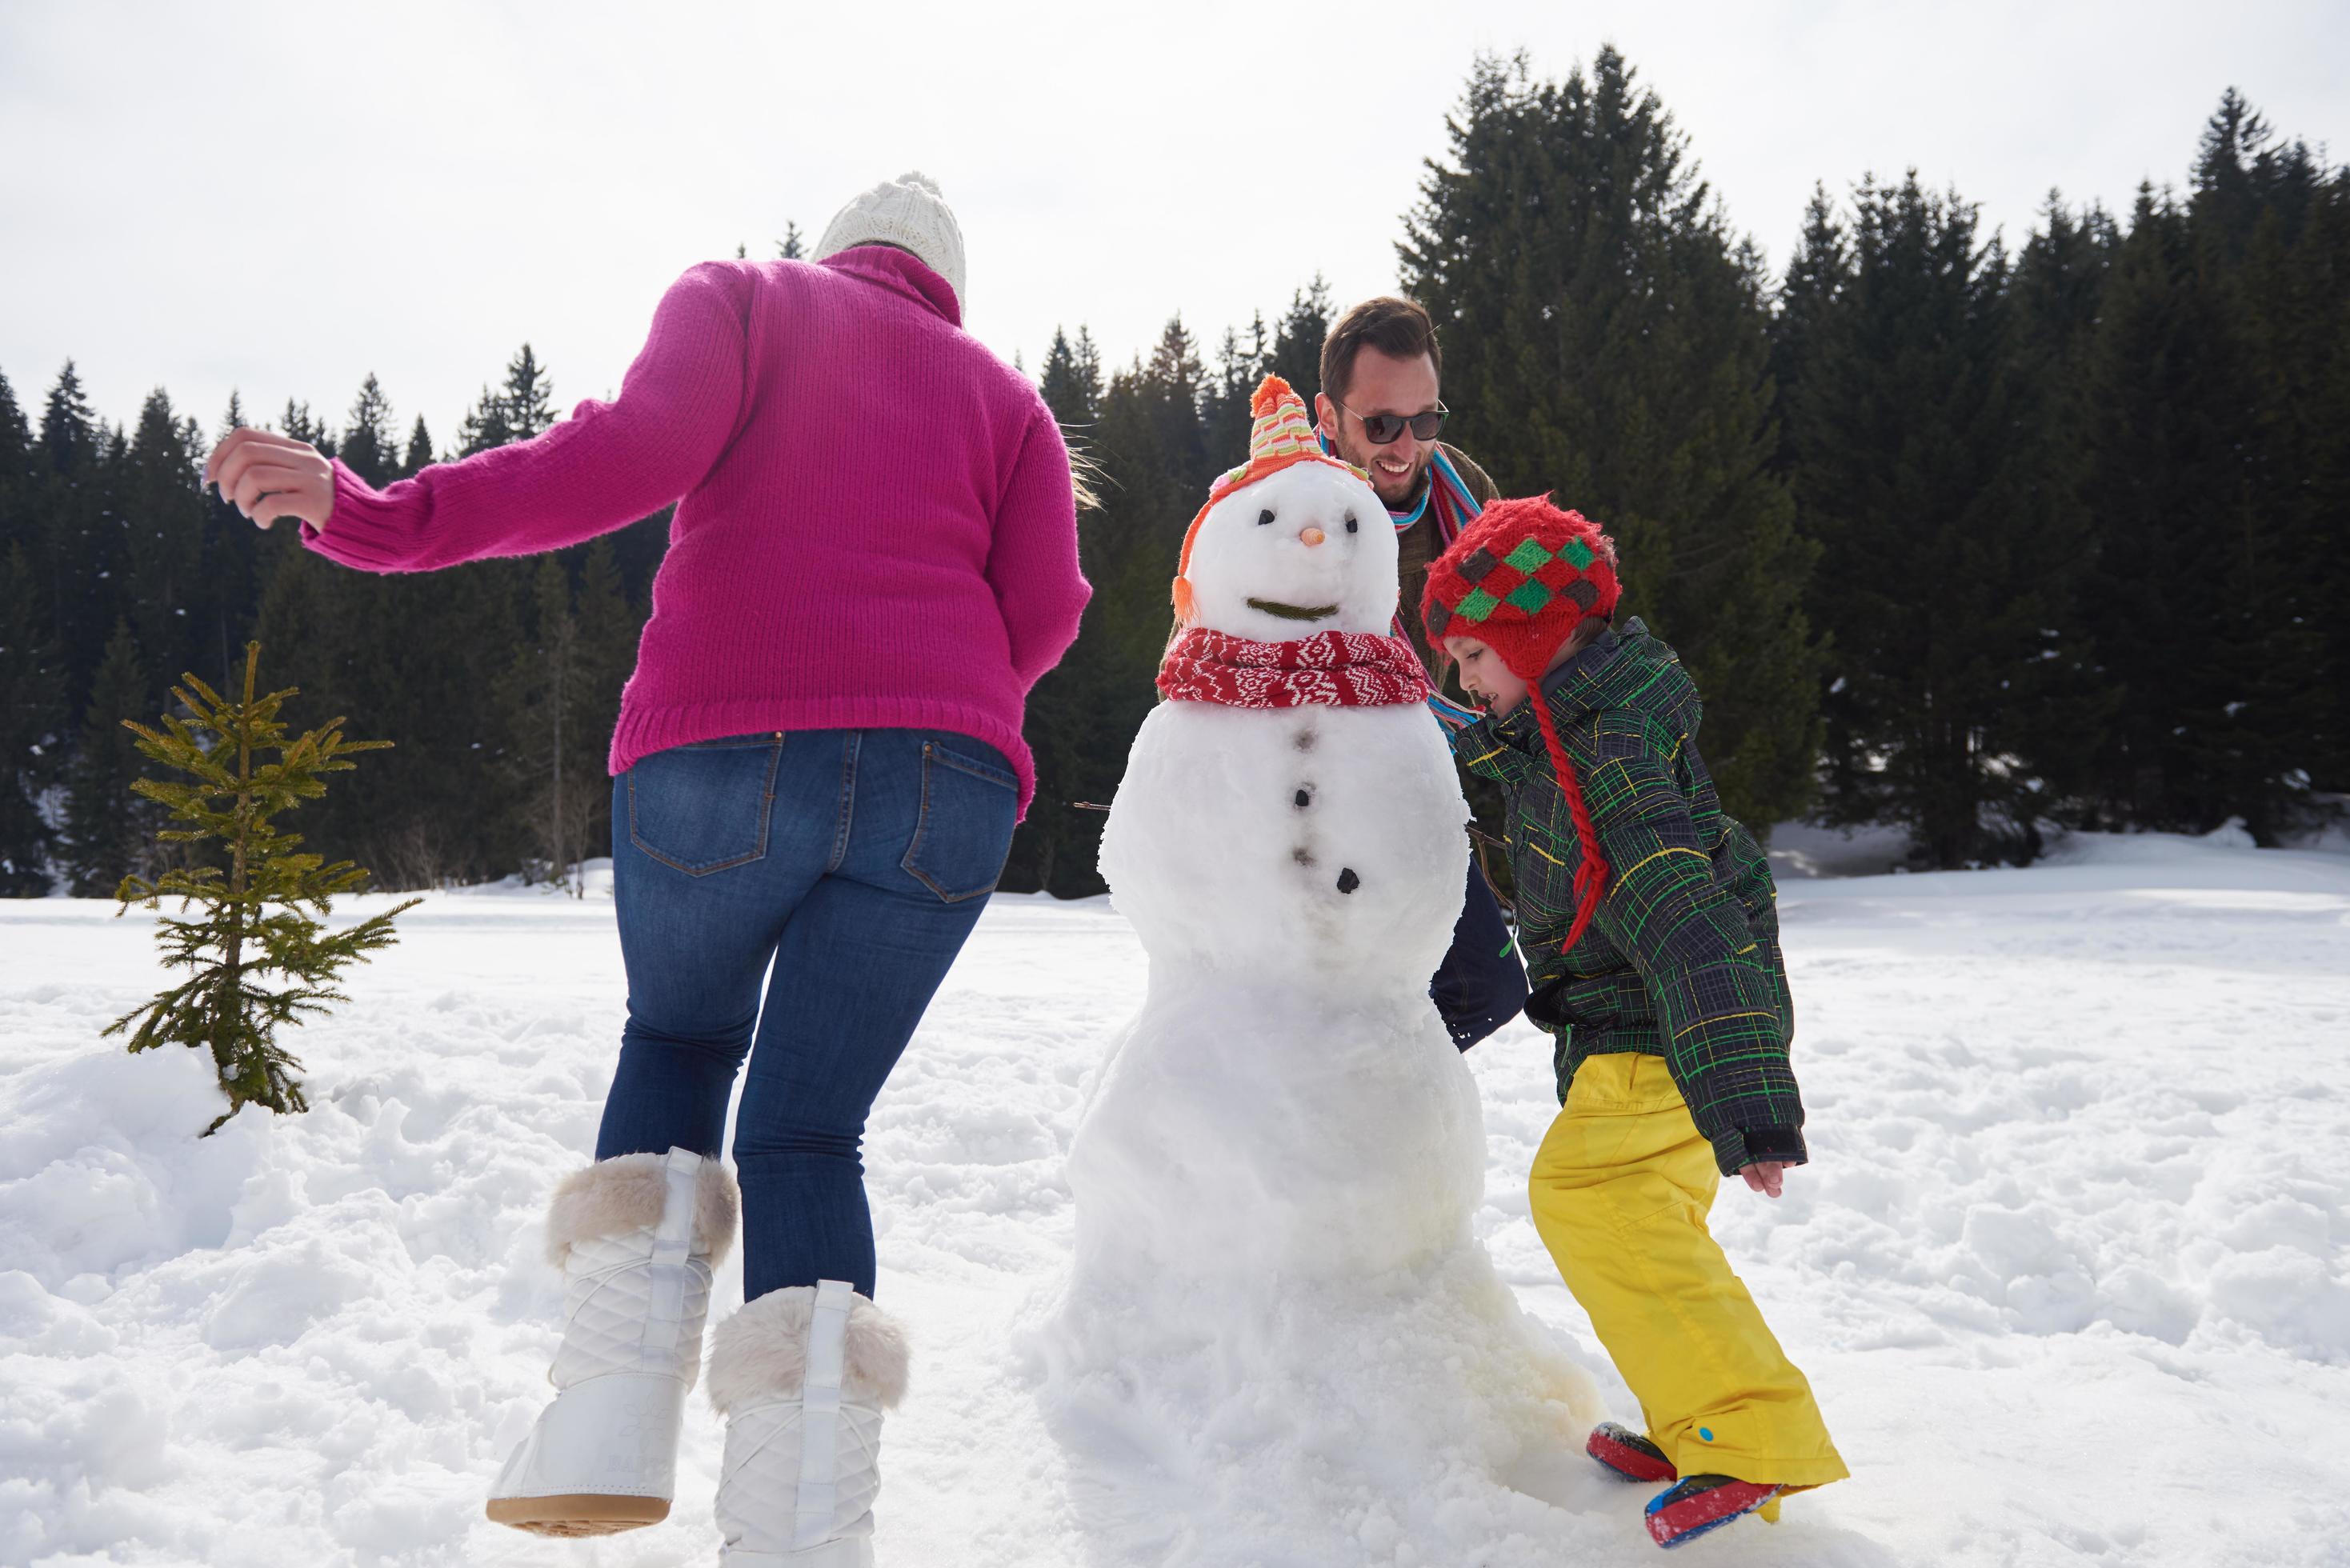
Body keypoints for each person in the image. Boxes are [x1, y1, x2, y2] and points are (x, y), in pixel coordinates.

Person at [205, 172, 1087, 1562]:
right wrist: (936, 702)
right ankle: (802, 1533)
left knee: (679, 1039)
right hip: (948, 784)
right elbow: (1043, 613)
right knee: (808, 1134)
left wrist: (374, 513)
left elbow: (618, 455)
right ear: (948, 287)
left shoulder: (745, 297)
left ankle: (611, 1420)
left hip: (722, 747)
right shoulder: (1009, 405)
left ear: (839, 249)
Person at [1420, 495, 1847, 1550]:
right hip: (1633, 1023)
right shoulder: (1561, 728)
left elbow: (1688, 922)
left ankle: (1752, 1439)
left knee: (1589, 1198)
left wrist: (1746, 1102)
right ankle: (1694, 1419)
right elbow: (1498, 762)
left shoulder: (1607, 755)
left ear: (1532, 636)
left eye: (1474, 654)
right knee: (1640, 1219)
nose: (1466, 682)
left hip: (1665, 1026)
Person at [1311, 296, 1527, 1049]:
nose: (1404, 446)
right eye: (1380, 425)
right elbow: (1194, 656)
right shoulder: (1272, 499)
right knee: (1301, 1003)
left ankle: (1357, 1126)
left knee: (1488, 990)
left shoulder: (1468, 498)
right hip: (1301, 801)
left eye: (1424, 420)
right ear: (1328, 413)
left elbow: (1524, 626)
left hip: (1417, 783)